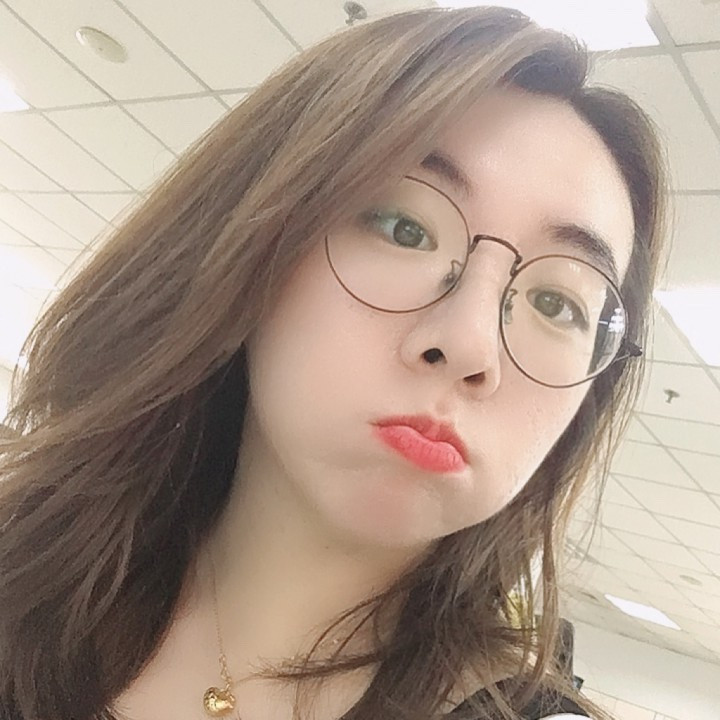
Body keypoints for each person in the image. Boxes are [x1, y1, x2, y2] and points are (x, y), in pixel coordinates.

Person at [0, 5, 668, 720]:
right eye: (405, 228)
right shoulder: (27, 576)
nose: (471, 345)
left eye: (557, 304)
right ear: (255, 233)